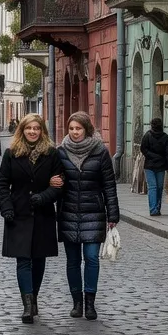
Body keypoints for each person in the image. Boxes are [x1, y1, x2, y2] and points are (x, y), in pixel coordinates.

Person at [0, 113, 65, 324]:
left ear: (42, 131)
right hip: (18, 215)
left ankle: (34, 296)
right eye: (29, 128)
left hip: (43, 215)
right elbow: (2, 184)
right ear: (22, 130)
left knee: (38, 260)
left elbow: (60, 183)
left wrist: (43, 197)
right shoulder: (12, 153)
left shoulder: (52, 154)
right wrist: (6, 208)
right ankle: (27, 305)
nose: (33, 132)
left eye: (36, 128)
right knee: (23, 260)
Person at [57, 112, 120, 320]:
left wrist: (113, 214)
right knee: (73, 261)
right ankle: (77, 302)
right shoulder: (61, 152)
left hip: (93, 212)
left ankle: (90, 303)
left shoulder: (100, 151)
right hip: (68, 213)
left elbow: (109, 185)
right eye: (72, 128)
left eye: (79, 128)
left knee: (92, 258)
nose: (75, 132)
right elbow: (54, 182)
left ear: (87, 129)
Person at [140, 118, 168, 216]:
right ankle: (156, 208)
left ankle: (153, 209)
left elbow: (143, 149)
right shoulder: (165, 137)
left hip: (149, 166)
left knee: (153, 187)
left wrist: (151, 156)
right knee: (159, 187)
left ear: (152, 126)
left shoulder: (147, 135)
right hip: (161, 166)